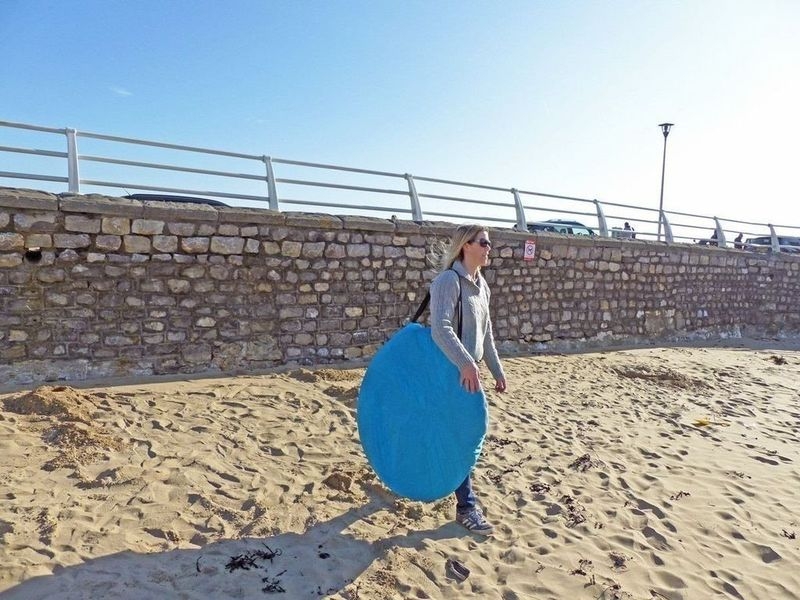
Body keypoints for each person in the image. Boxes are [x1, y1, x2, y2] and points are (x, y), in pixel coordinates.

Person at [429, 223, 507, 535]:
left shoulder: (481, 285)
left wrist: (497, 370)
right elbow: (440, 328)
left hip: (467, 373)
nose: (489, 248)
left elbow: (486, 336)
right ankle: (466, 507)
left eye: (489, 243)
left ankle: (431, 478)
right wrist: (466, 364)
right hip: (450, 372)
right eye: (484, 243)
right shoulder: (449, 281)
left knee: (457, 435)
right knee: (462, 438)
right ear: (467, 246)